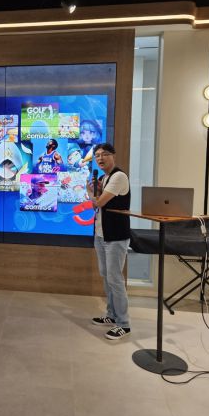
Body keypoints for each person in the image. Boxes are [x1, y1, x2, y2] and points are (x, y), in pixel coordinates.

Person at [86, 142, 131, 340]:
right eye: (97, 155)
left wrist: (90, 193)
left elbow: (99, 202)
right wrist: (93, 192)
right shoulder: (103, 178)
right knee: (107, 276)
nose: (100, 158)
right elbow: (95, 207)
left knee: (115, 279)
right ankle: (112, 315)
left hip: (115, 236)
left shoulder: (119, 176)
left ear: (113, 155)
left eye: (104, 154)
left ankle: (124, 324)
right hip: (101, 234)